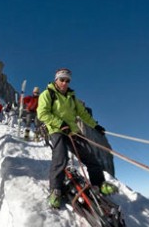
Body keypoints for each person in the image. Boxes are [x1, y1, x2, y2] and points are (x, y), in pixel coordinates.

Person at [37, 68, 117, 208]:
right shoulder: (47, 94)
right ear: (56, 80)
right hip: (57, 130)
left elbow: (83, 114)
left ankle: (99, 185)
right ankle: (55, 190)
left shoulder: (72, 97)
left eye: (67, 80)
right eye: (62, 80)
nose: (64, 83)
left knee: (90, 157)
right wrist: (60, 124)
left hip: (73, 131)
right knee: (60, 158)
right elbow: (42, 114)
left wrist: (95, 126)